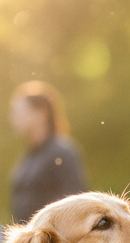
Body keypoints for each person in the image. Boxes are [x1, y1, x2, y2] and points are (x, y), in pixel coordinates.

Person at [8, 80, 88, 223]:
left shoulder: (63, 152)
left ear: (41, 113)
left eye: (19, 112)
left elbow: (77, 206)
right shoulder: (28, 156)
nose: (12, 119)